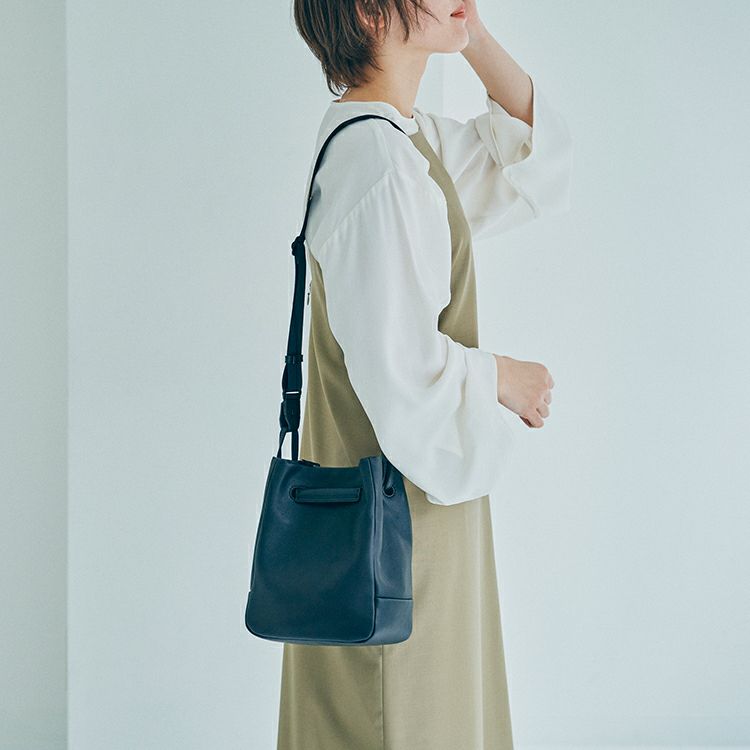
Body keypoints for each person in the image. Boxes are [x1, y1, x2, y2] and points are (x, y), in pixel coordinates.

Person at [276, 0, 573, 747]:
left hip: (405, 508)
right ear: (371, 13)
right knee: (401, 717)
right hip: (398, 516)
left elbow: (532, 160)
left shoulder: (400, 141)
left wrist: (467, 30)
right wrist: (502, 376)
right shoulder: (378, 165)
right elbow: (401, 372)